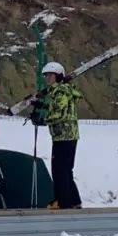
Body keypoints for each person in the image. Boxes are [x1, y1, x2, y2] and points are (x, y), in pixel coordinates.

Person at [34, 61, 84, 209]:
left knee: (59, 170)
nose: (47, 78)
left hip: (64, 135)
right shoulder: (60, 91)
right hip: (66, 135)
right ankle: (74, 200)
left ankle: (63, 202)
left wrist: (43, 119)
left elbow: (60, 113)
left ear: (58, 75)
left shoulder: (60, 91)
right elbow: (56, 106)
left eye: (50, 75)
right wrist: (41, 105)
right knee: (66, 169)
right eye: (46, 76)